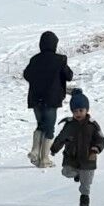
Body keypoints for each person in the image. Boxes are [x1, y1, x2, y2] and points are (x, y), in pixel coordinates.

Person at [23, 31, 74, 169]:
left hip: (35, 98)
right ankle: (44, 159)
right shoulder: (60, 59)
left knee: (41, 124)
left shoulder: (35, 59)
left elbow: (26, 75)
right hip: (51, 99)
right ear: (54, 44)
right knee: (49, 128)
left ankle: (35, 152)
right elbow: (69, 76)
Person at [50, 89, 104, 206]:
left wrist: (95, 149)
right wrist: (55, 148)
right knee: (66, 172)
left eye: (81, 110)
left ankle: (84, 198)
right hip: (72, 158)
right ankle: (77, 175)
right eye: (75, 111)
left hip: (88, 158)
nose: (78, 113)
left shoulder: (92, 125)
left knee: (86, 182)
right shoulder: (69, 125)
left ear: (87, 110)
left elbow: (101, 139)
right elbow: (61, 138)